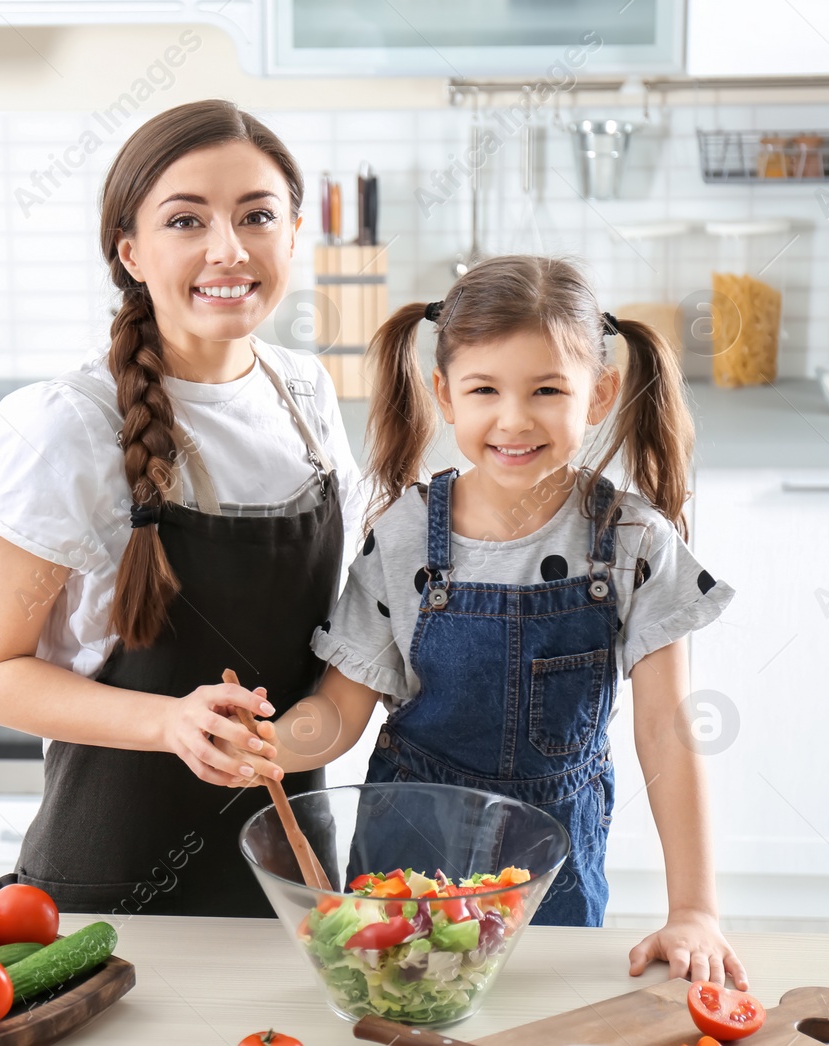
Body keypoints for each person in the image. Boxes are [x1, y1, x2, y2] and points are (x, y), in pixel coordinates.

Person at [257, 255, 749, 987]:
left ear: (600, 393)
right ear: (444, 394)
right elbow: (339, 710)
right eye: (485, 389)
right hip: (405, 859)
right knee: (399, 1015)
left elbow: (667, 729)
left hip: (549, 872)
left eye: (548, 390)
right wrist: (266, 745)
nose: (514, 419)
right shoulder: (402, 535)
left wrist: (696, 909)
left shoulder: (635, 541)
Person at [0, 98, 363, 918]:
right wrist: (171, 725)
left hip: (290, 878)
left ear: (292, 236)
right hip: (109, 888)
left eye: (257, 215)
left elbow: (340, 639)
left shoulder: (305, 393)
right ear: (131, 251)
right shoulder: (66, 425)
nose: (227, 249)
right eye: (186, 220)